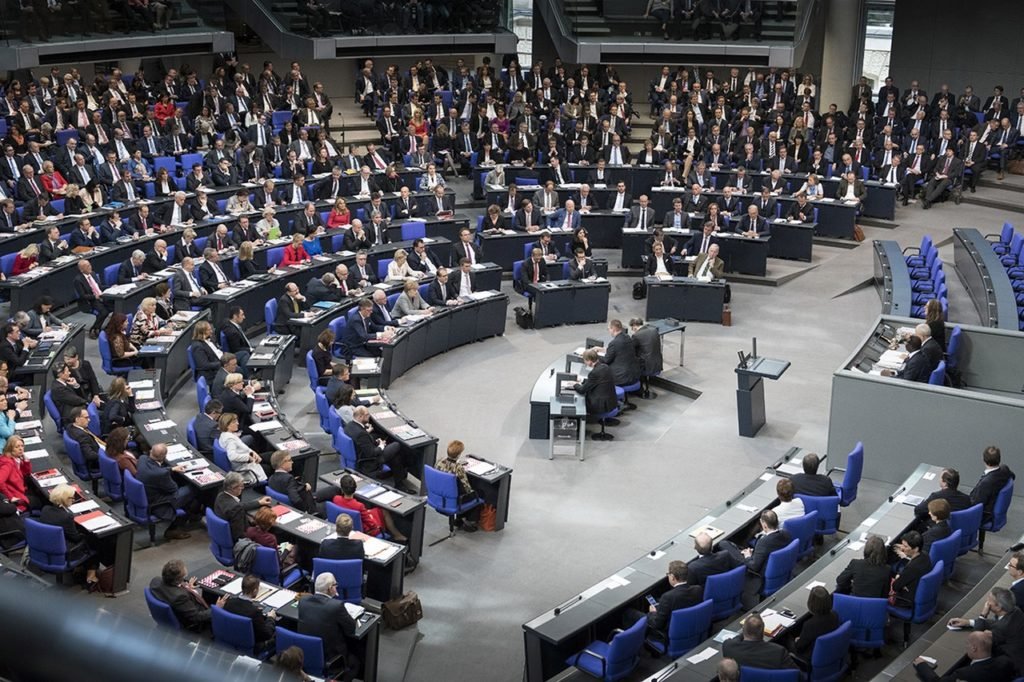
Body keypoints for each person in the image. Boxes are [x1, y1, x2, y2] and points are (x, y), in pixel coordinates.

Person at [39, 484, 103, 588]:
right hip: (64, 552)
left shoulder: (45, 509)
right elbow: (76, 538)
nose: (74, 500)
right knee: (94, 542)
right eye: (72, 498)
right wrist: (87, 534)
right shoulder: (66, 516)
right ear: (65, 499)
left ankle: (80, 568)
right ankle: (90, 575)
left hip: (46, 548)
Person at [298, 573, 359, 681]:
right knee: (356, 661)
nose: (337, 587)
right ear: (330, 588)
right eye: (335, 585)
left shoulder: (303, 601)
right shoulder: (336, 606)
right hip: (331, 660)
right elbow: (351, 629)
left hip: (305, 655)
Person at [344, 406, 416, 494]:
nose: (369, 417)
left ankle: (399, 481)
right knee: (397, 445)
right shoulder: (361, 434)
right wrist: (381, 446)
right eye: (367, 415)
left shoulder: (349, 426)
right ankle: (400, 480)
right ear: (360, 417)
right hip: (369, 462)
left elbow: (364, 442)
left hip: (361, 454)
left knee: (395, 456)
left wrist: (376, 441)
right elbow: (371, 453)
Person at [136, 444, 198, 540]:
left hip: (146, 496)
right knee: (192, 489)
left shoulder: (142, 459)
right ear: (164, 457)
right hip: (159, 504)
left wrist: (171, 469)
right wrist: (168, 474)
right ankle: (174, 528)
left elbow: (155, 470)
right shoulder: (161, 474)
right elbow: (173, 489)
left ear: (150, 452)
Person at [149, 559, 227, 633]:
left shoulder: (155, 581)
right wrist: (216, 608)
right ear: (177, 580)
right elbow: (197, 617)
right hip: (195, 621)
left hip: (178, 606)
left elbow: (171, 589)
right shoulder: (180, 597)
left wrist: (186, 587)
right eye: (184, 576)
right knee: (226, 605)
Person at [634, 561, 703, 643]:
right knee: (657, 600)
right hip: (692, 626)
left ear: (673, 577)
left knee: (629, 614)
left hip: (670, 632)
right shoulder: (698, 589)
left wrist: (652, 613)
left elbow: (657, 624)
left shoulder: (668, 597)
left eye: (668, 574)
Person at [331, 473, 407, 542]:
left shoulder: (336, 499)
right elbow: (371, 524)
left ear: (342, 489)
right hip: (365, 531)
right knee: (383, 510)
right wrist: (377, 526)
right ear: (355, 488)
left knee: (374, 509)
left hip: (347, 525)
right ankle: (397, 535)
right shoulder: (359, 506)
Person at [913, 631, 1016, 681]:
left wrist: (921, 665)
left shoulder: (965, 674)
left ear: (974, 648)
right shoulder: (1005, 661)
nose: (966, 646)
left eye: (968, 644)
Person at [268, 450, 338, 516]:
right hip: (309, 506)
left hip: (306, 496)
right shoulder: (289, 478)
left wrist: (303, 486)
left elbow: (287, 487)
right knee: (331, 505)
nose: (292, 462)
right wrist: (305, 512)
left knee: (334, 489)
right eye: (290, 460)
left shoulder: (271, 479)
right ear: (282, 464)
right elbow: (296, 500)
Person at [223, 574, 277, 651]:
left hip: (230, 640)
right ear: (255, 591)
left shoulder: (229, 602)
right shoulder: (255, 613)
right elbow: (267, 634)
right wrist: (271, 618)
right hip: (252, 646)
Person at [721, 613, 795, 670]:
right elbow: (797, 676)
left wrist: (745, 631)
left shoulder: (728, 646)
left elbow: (734, 640)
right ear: (763, 632)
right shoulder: (779, 651)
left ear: (743, 630)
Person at [435, 440, 481, 531]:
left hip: (441, 496)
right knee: (477, 493)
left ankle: (460, 519)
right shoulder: (458, 468)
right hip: (455, 499)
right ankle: (469, 522)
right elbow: (467, 488)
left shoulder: (439, 461)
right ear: (459, 455)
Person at [214, 471, 272, 542]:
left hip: (223, 535)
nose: (243, 488)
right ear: (233, 488)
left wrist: (259, 502)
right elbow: (239, 535)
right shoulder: (235, 508)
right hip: (240, 542)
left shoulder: (221, 496)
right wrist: (255, 531)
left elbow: (240, 506)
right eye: (241, 486)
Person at [970, 445, 1015, 524]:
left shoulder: (986, 483)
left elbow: (976, 505)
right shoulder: (1005, 469)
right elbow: (1012, 476)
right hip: (991, 504)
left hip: (985, 514)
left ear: (983, 460)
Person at [218, 412, 267, 484]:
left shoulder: (225, 435)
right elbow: (232, 456)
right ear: (227, 425)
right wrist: (249, 457)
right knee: (270, 465)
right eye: (234, 422)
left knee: (269, 456)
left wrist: (253, 453)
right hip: (244, 467)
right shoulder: (230, 440)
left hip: (248, 460)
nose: (237, 423)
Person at [792, 586, 840, 659]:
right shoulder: (835, 614)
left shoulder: (809, 625)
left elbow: (799, 647)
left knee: (785, 639)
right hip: (831, 651)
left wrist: (797, 640)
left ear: (811, 603)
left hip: (813, 656)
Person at [246, 506, 298, 571]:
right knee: (296, 547)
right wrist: (286, 550)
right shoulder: (270, 538)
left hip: (253, 565)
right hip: (272, 570)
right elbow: (278, 561)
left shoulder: (249, 530)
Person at [891, 531, 933, 608]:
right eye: (902, 544)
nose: (902, 548)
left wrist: (898, 577)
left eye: (905, 546)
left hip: (906, 600)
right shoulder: (925, 555)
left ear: (916, 548)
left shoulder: (912, 568)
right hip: (920, 591)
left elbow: (895, 587)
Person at [573, 349, 617, 417]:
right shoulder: (605, 367)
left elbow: (582, 390)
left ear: (589, 360)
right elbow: (595, 381)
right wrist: (582, 380)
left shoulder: (594, 373)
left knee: (578, 402)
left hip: (600, 406)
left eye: (585, 360)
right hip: (611, 402)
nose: (585, 363)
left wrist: (574, 384)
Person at [0, 436, 39, 513]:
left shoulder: (16, 459)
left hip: (21, 489)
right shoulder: (8, 463)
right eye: (17, 447)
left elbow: (26, 473)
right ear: (10, 448)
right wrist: (10, 497)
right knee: (42, 500)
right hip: (15, 495)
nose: (21, 449)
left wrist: (26, 461)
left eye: (22, 446)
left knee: (38, 491)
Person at [598, 319, 641, 386]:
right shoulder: (628, 338)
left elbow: (606, 360)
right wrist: (604, 349)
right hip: (634, 375)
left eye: (609, 329)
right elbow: (620, 350)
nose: (609, 331)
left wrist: (595, 355)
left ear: (613, 329)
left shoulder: (614, 343)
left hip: (621, 378)